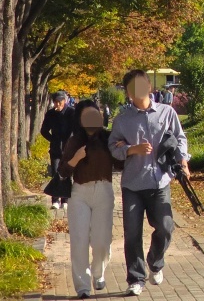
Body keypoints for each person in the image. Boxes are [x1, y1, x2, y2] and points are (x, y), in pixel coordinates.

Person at [109, 70, 190, 297]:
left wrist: (183, 160)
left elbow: (179, 138)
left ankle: (155, 261)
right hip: (133, 184)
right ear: (128, 93)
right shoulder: (122, 120)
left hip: (160, 182)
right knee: (132, 234)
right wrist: (131, 149)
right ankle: (136, 278)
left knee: (166, 227)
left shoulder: (167, 113)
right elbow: (112, 147)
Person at [59, 101, 117, 299]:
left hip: (104, 191)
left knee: (102, 241)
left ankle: (98, 273)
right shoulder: (75, 140)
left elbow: (120, 162)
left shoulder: (108, 138)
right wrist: (75, 158)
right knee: (79, 241)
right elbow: (62, 171)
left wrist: (125, 148)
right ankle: (82, 286)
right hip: (80, 193)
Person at [41, 90, 75, 209]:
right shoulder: (50, 114)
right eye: (55, 102)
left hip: (68, 149)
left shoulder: (72, 113)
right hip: (55, 148)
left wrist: (70, 142)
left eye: (60, 102)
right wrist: (53, 139)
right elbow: (44, 130)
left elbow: (76, 130)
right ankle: (55, 200)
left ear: (64, 101)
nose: (58, 104)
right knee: (55, 172)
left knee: (66, 173)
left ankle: (65, 199)